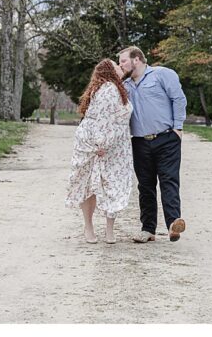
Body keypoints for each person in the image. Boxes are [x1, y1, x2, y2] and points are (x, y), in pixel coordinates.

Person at [118, 46, 187, 243]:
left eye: (123, 61)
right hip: (139, 141)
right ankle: (148, 229)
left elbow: (178, 99)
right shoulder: (125, 85)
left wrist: (178, 128)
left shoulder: (162, 74)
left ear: (137, 59)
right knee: (145, 186)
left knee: (169, 180)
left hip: (166, 138)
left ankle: (174, 223)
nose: (121, 65)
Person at [65, 58, 134, 244]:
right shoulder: (108, 89)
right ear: (109, 71)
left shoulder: (115, 88)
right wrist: (102, 144)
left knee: (110, 183)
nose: (121, 67)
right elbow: (104, 120)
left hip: (113, 144)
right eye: (116, 66)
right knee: (93, 183)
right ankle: (90, 228)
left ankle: (108, 230)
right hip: (100, 144)